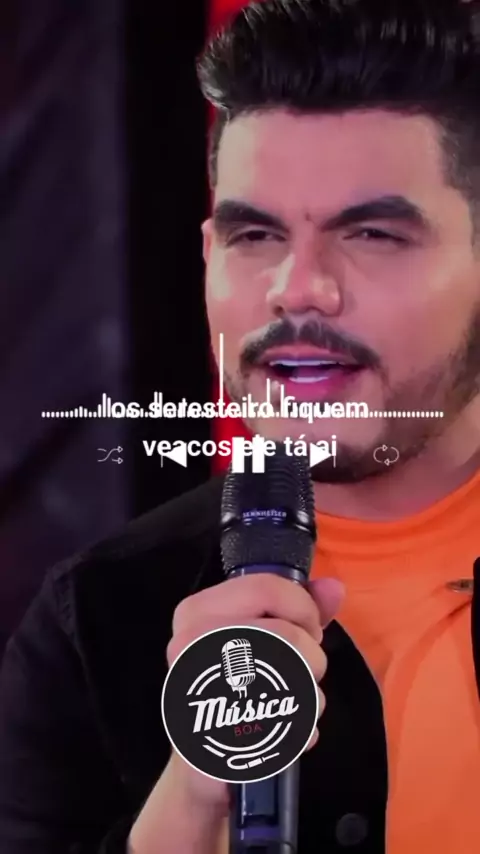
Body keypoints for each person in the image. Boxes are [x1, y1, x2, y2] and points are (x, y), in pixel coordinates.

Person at [1, 0, 480, 851]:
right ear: (207, 258)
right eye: (254, 234)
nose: (297, 289)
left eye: (373, 233)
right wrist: (192, 805)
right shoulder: (93, 625)